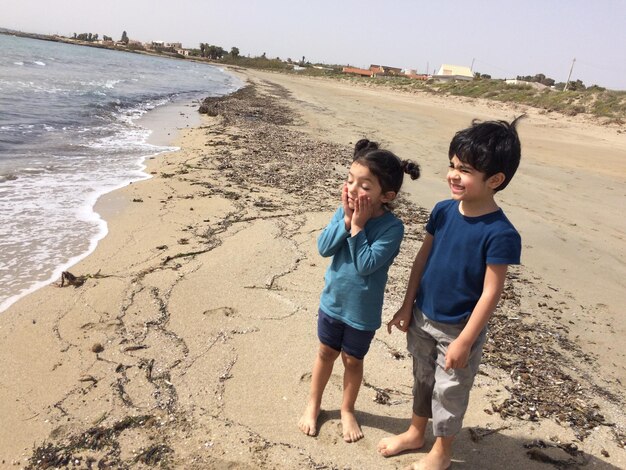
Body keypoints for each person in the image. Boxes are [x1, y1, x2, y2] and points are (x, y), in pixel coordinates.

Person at [377, 117, 523, 469]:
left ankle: (441, 453)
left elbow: (491, 293)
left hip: (459, 328)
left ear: (496, 180)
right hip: (423, 315)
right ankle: (416, 431)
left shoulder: (500, 232)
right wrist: (406, 305)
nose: (453, 175)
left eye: (466, 170)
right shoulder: (443, 210)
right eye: (452, 165)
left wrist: (465, 341)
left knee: (450, 389)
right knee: (423, 378)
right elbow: (422, 259)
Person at [298, 139, 420, 443]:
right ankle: (313, 404)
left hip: (362, 311)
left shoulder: (393, 228)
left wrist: (358, 227)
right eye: (350, 180)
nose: (353, 190)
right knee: (325, 353)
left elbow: (366, 264)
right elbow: (324, 247)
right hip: (333, 302)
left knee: (353, 360)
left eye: (365, 186)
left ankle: (347, 409)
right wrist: (346, 220)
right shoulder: (344, 211)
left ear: (386, 196)